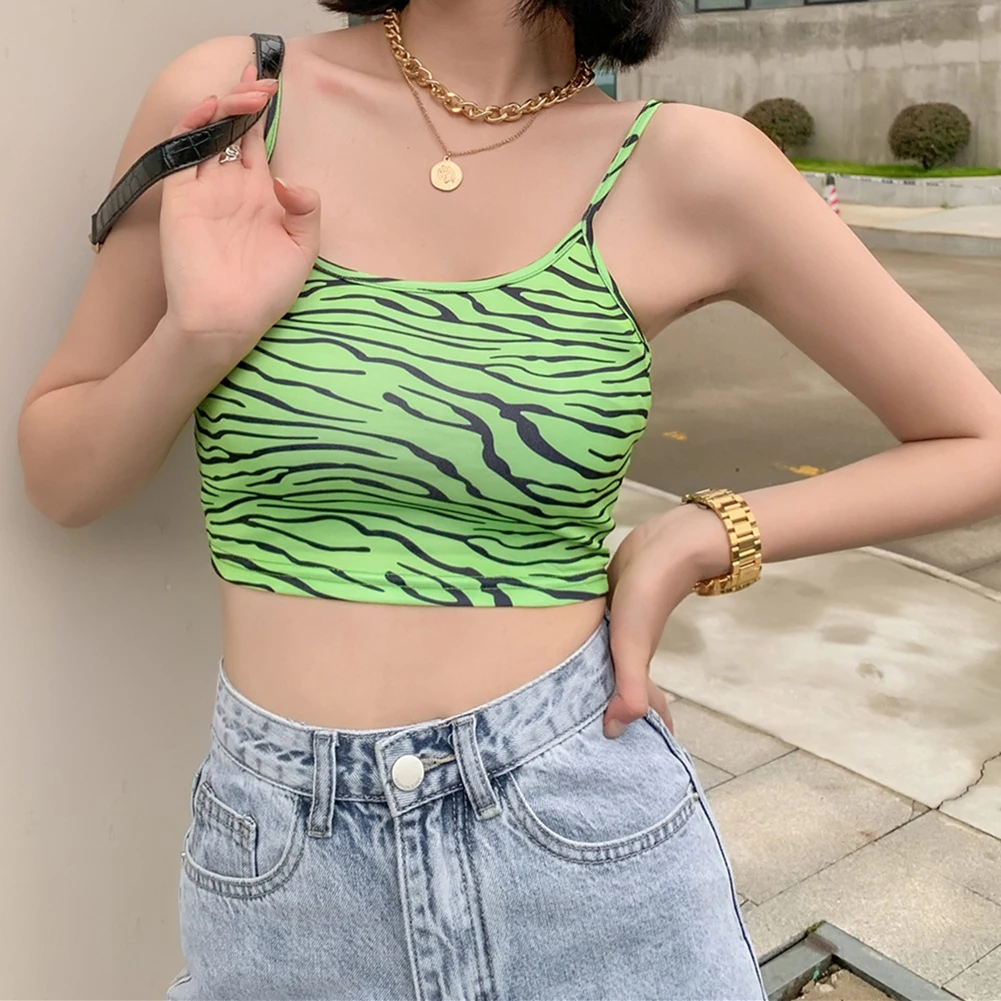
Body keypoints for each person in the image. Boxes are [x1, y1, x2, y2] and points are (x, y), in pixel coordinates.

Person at [18, 0, 1001, 998]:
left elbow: (978, 442)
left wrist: (695, 537)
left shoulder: (684, 164)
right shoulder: (238, 103)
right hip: (285, 872)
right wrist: (199, 336)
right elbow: (61, 475)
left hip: (578, 834)